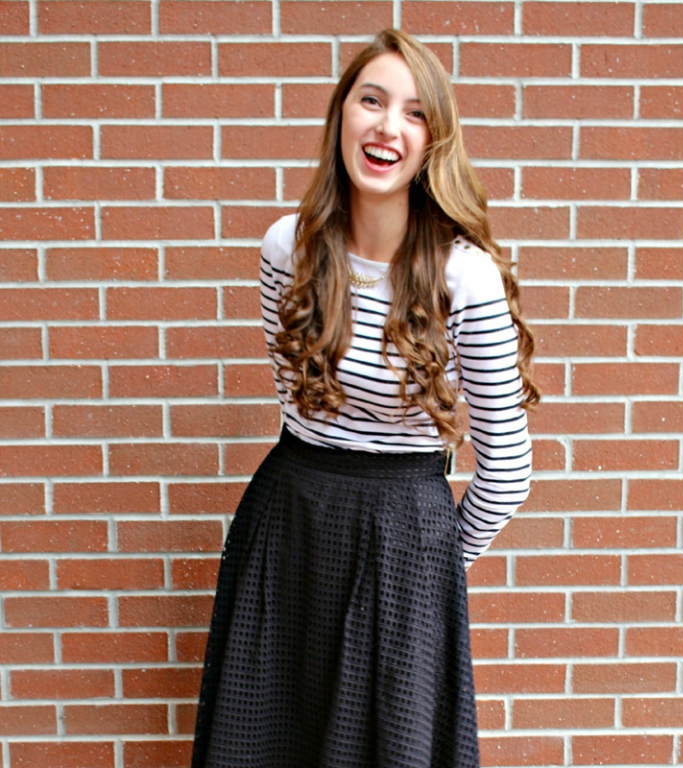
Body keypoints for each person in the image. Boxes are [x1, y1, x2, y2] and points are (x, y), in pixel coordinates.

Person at [191, 28, 538, 768]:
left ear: (433, 142)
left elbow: (507, 470)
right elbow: (300, 400)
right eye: (371, 100)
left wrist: (432, 562)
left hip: (405, 540)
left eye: (414, 113)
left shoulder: (463, 277)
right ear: (340, 116)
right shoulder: (288, 247)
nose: (387, 126)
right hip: (288, 529)